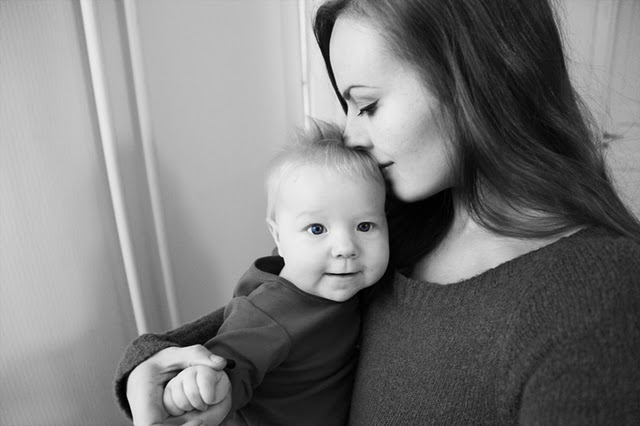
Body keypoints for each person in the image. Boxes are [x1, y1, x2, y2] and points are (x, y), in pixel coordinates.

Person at [115, 0, 640, 424]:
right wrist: (146, 367)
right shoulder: (398, 225)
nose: (351, 135)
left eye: (366, 104)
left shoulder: (599, 295)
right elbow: (249, 319)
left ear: (478, 77)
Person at [117, 122, 390, 426]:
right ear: (278, 237)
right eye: (317, 229)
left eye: (365, 226)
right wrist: (203, 383)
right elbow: (230, 361)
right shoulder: (267, 314)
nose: (345, 248)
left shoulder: (350, 282)